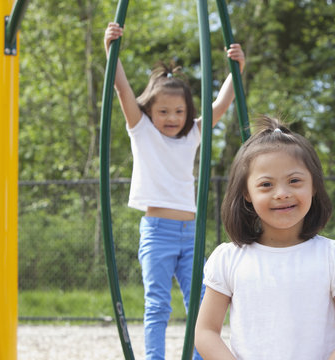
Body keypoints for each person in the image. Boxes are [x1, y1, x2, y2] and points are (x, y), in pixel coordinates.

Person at [104, 22, 245, 360]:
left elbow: (223, 102)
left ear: (189, 113)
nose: (171, 117)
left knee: (200, 301)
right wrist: (112, 50)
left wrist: (237, 68)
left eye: (179, 111)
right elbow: (122, 90)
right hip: (157, 232)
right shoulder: (142, 132)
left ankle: (198, 356)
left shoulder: (194, 134)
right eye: (163, 111)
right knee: (157, 303)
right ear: (149, 111)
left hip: (191, 232)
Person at [195, 116, 335, 360]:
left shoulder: (334, 256)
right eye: (266, 184)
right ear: (247, 192)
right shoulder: (229, 258)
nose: (282, 194)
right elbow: (205, 332)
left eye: (294, 181)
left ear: (314, 186)